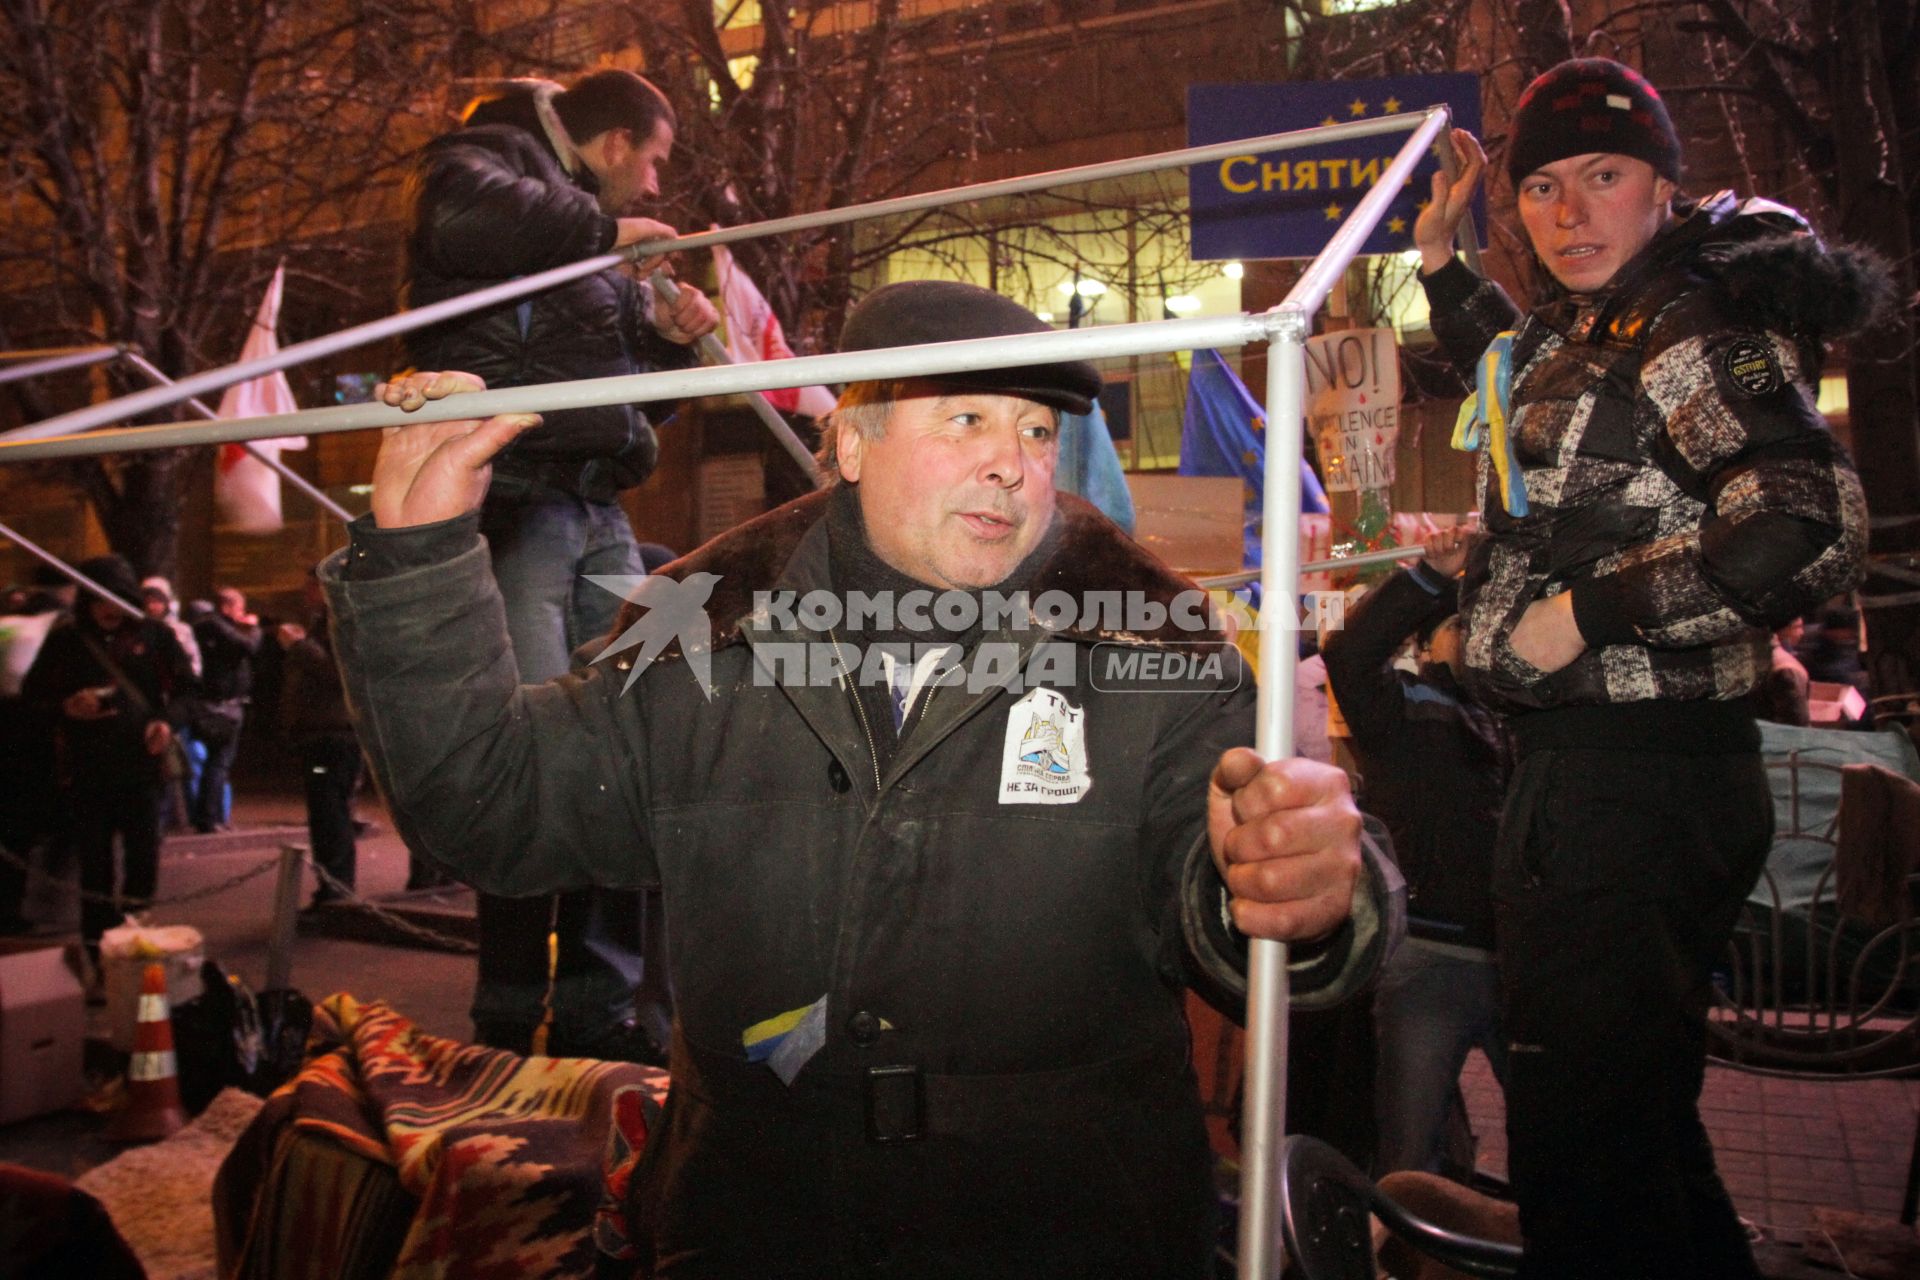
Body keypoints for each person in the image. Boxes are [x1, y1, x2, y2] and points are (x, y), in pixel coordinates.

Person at [323, 280, 1395, 1276]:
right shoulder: (700, 632)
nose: (1012, 463)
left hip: (1067, 1227)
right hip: (752, 1223)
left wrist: (1295, 879)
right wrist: (418, 560)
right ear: (849, 441)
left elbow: (1225, 880)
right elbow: (496, 804)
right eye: (966, 418)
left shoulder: (1148, 643)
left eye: (1036, 430)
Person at [1413, 58, 1878, 1278]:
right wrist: (1439, 264)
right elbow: (1543, 390)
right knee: (1640, 1131)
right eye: (1545, 188)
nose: (1569, 214)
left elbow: (1808, 518)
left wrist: (1588, 610)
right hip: (1617, 782)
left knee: (1584, 1158)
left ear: (1665, 186)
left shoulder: (1694, 325)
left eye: (1603, 178)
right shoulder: (1610, 316)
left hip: (1630, 788)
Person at [403, 67, 720, 1062]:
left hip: (594, 499)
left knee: (620, 747)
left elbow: (625, 406)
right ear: (616, 140)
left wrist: (666, 347)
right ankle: (508, 1010)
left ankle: (601, 1009)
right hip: (522, 493)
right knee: (532, 755)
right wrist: (600, 238)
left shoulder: (574, 235)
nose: (657, 188)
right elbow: (455, 216)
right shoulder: (490, 156)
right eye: (656, 159)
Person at [1322, 524, 1512, 1178]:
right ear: (1431, 637)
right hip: (1430, 961)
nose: (1475, 638)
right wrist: (1430, 579)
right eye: (1460, 625)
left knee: (1560, 1144)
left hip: (1522, 959)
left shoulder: (1514, 715)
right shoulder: (1403, 711)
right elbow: (1347, 652)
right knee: (1410, 1153)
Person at [22, 555, 194, 962]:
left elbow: (189, 692)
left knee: (143, 859)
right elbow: (32, 699)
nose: (108, 608)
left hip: (142, 767)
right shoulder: (68, 639)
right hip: (87, 770)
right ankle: (98, 953)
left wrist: (166, 722)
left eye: (115, 598)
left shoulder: (154, 636)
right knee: (95, 867)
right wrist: (66, 708)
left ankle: (138, 944)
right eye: (98, 598)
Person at [276, 569, 363, 909]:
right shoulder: (326, 621)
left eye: (310, 584)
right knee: (326, 814)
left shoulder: (344, 622)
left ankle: (337, 890)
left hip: (335, 734)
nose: (305, 591)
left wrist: (298, 646)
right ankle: (331, 888)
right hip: (322, 733)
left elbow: (336, 672)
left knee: (331, 814)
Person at [188, 587, 261, 833]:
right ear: (228, 607)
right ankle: (209, 817)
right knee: (218, 763)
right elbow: (249, 647)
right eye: (240, 608)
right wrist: (252, 627)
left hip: (212, 703)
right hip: (221, 706)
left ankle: (210, 815)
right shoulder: (218, 627)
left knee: (212, 762)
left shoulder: (203, 627)